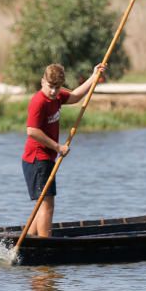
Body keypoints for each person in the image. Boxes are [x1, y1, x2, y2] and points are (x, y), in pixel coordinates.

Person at [22, 62, 107, 237]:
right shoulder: (39, 101)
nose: (53, 91)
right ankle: (45, 247)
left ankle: (31, 241)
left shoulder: (57, 97)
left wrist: (94, 77)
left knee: (42, 205)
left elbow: (75, 96)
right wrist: (57, 147)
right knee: (47, 205)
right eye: (51, 87)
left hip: (46, 159)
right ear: (42, 82)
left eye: (57, 87)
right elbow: (32, 131)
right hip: (37, 159)